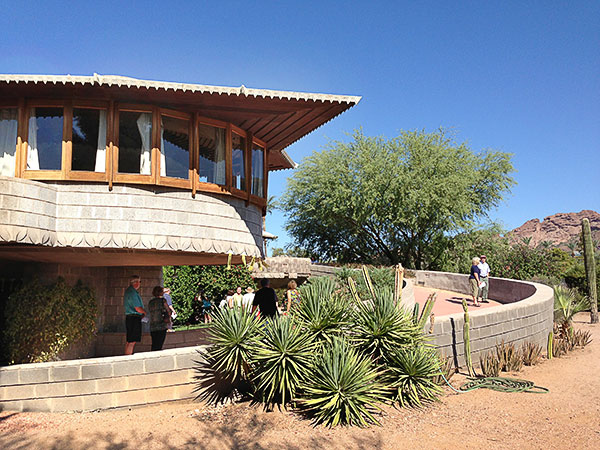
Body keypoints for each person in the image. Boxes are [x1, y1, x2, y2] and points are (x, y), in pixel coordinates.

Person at [124, 275, 147, 355]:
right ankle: (128, 357)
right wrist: (144, 312)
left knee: (129, 340)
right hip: (134, 317)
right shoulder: (132, 292)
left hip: (130, 317)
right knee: (132, 341)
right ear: (136, 282)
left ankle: (126, 356)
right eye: (139, 282)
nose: (140, 284)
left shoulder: (128, 291)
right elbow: (137, 308)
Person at [148, 286, 170, 351]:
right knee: (159, 344)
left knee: (154, 344)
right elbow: (168, 311)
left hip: (153, 326)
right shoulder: (163, 301)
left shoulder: (151, 302)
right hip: (161, 325)